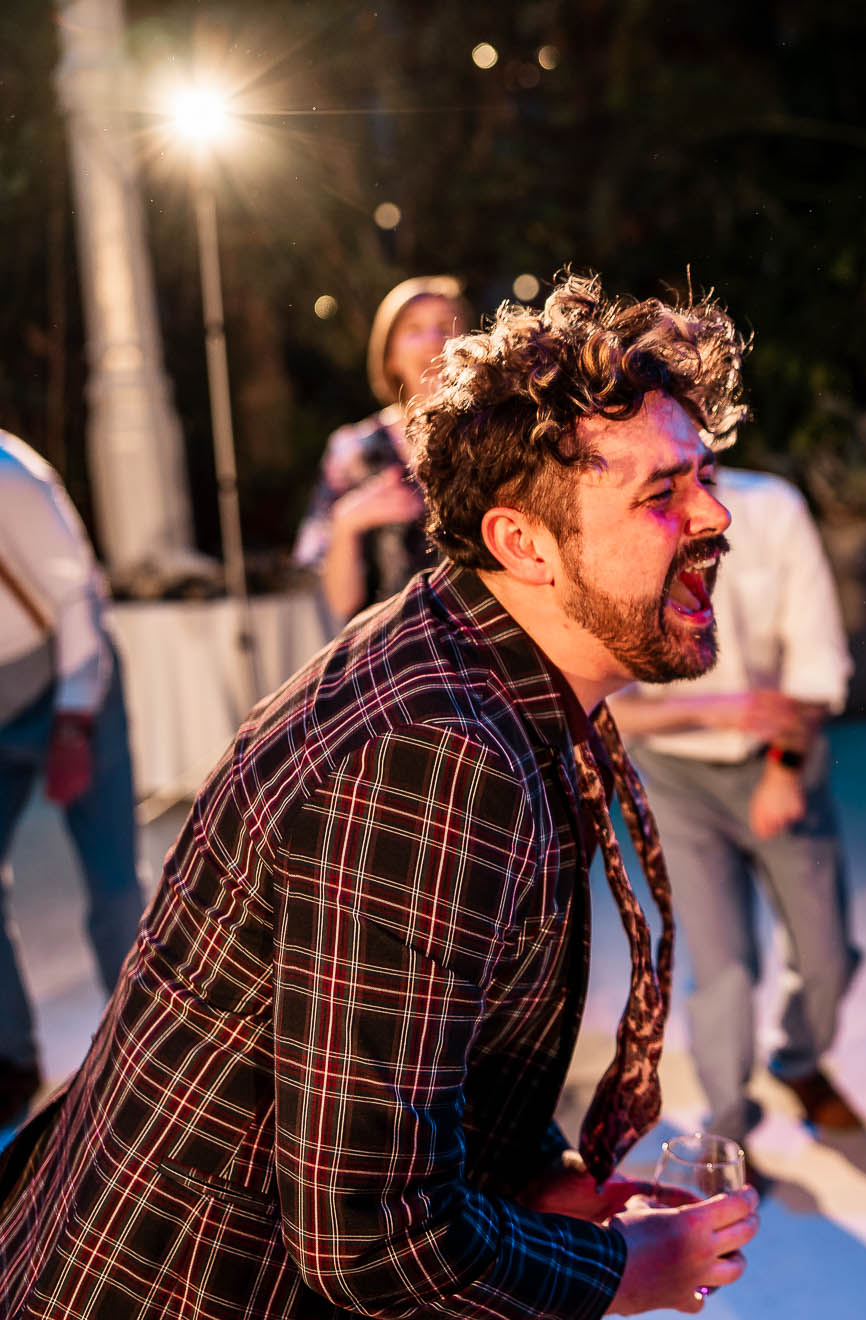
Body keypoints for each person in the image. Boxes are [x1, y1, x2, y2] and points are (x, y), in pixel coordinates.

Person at [0, 274, 761, 1318]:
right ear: (521, 543)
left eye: (705, 475)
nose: (715, 514)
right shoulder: (438, 759)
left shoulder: (473, 657)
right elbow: (370, 1233)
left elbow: (416, 1040)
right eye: (662, 493)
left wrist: (544, 1181)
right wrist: (631, 1272)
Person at [609, 463, 862, 1151]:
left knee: (827, 954)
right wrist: (722, 708)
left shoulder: (772, 507)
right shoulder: (617, 515)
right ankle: (729, 1118)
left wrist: (782, 768)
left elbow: (817, 658)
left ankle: (801, 1061)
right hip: (677, 781)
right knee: (722, 964)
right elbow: (612, 707)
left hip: (780, 760)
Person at [0, 431, 144, 1133]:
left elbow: (79, 602)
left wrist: (73, 725)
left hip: (70, 686)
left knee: (113, 883)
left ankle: (151, 1053)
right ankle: (10, 1062)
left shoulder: (12, 480)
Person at [294, 274, 472, 623]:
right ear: (390, 355)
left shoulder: (496, 437)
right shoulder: (354, 450)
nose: (433, 341)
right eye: (415, 329)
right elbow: (341, 604)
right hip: (400, 653)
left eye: (446, 327)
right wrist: (348, 522)